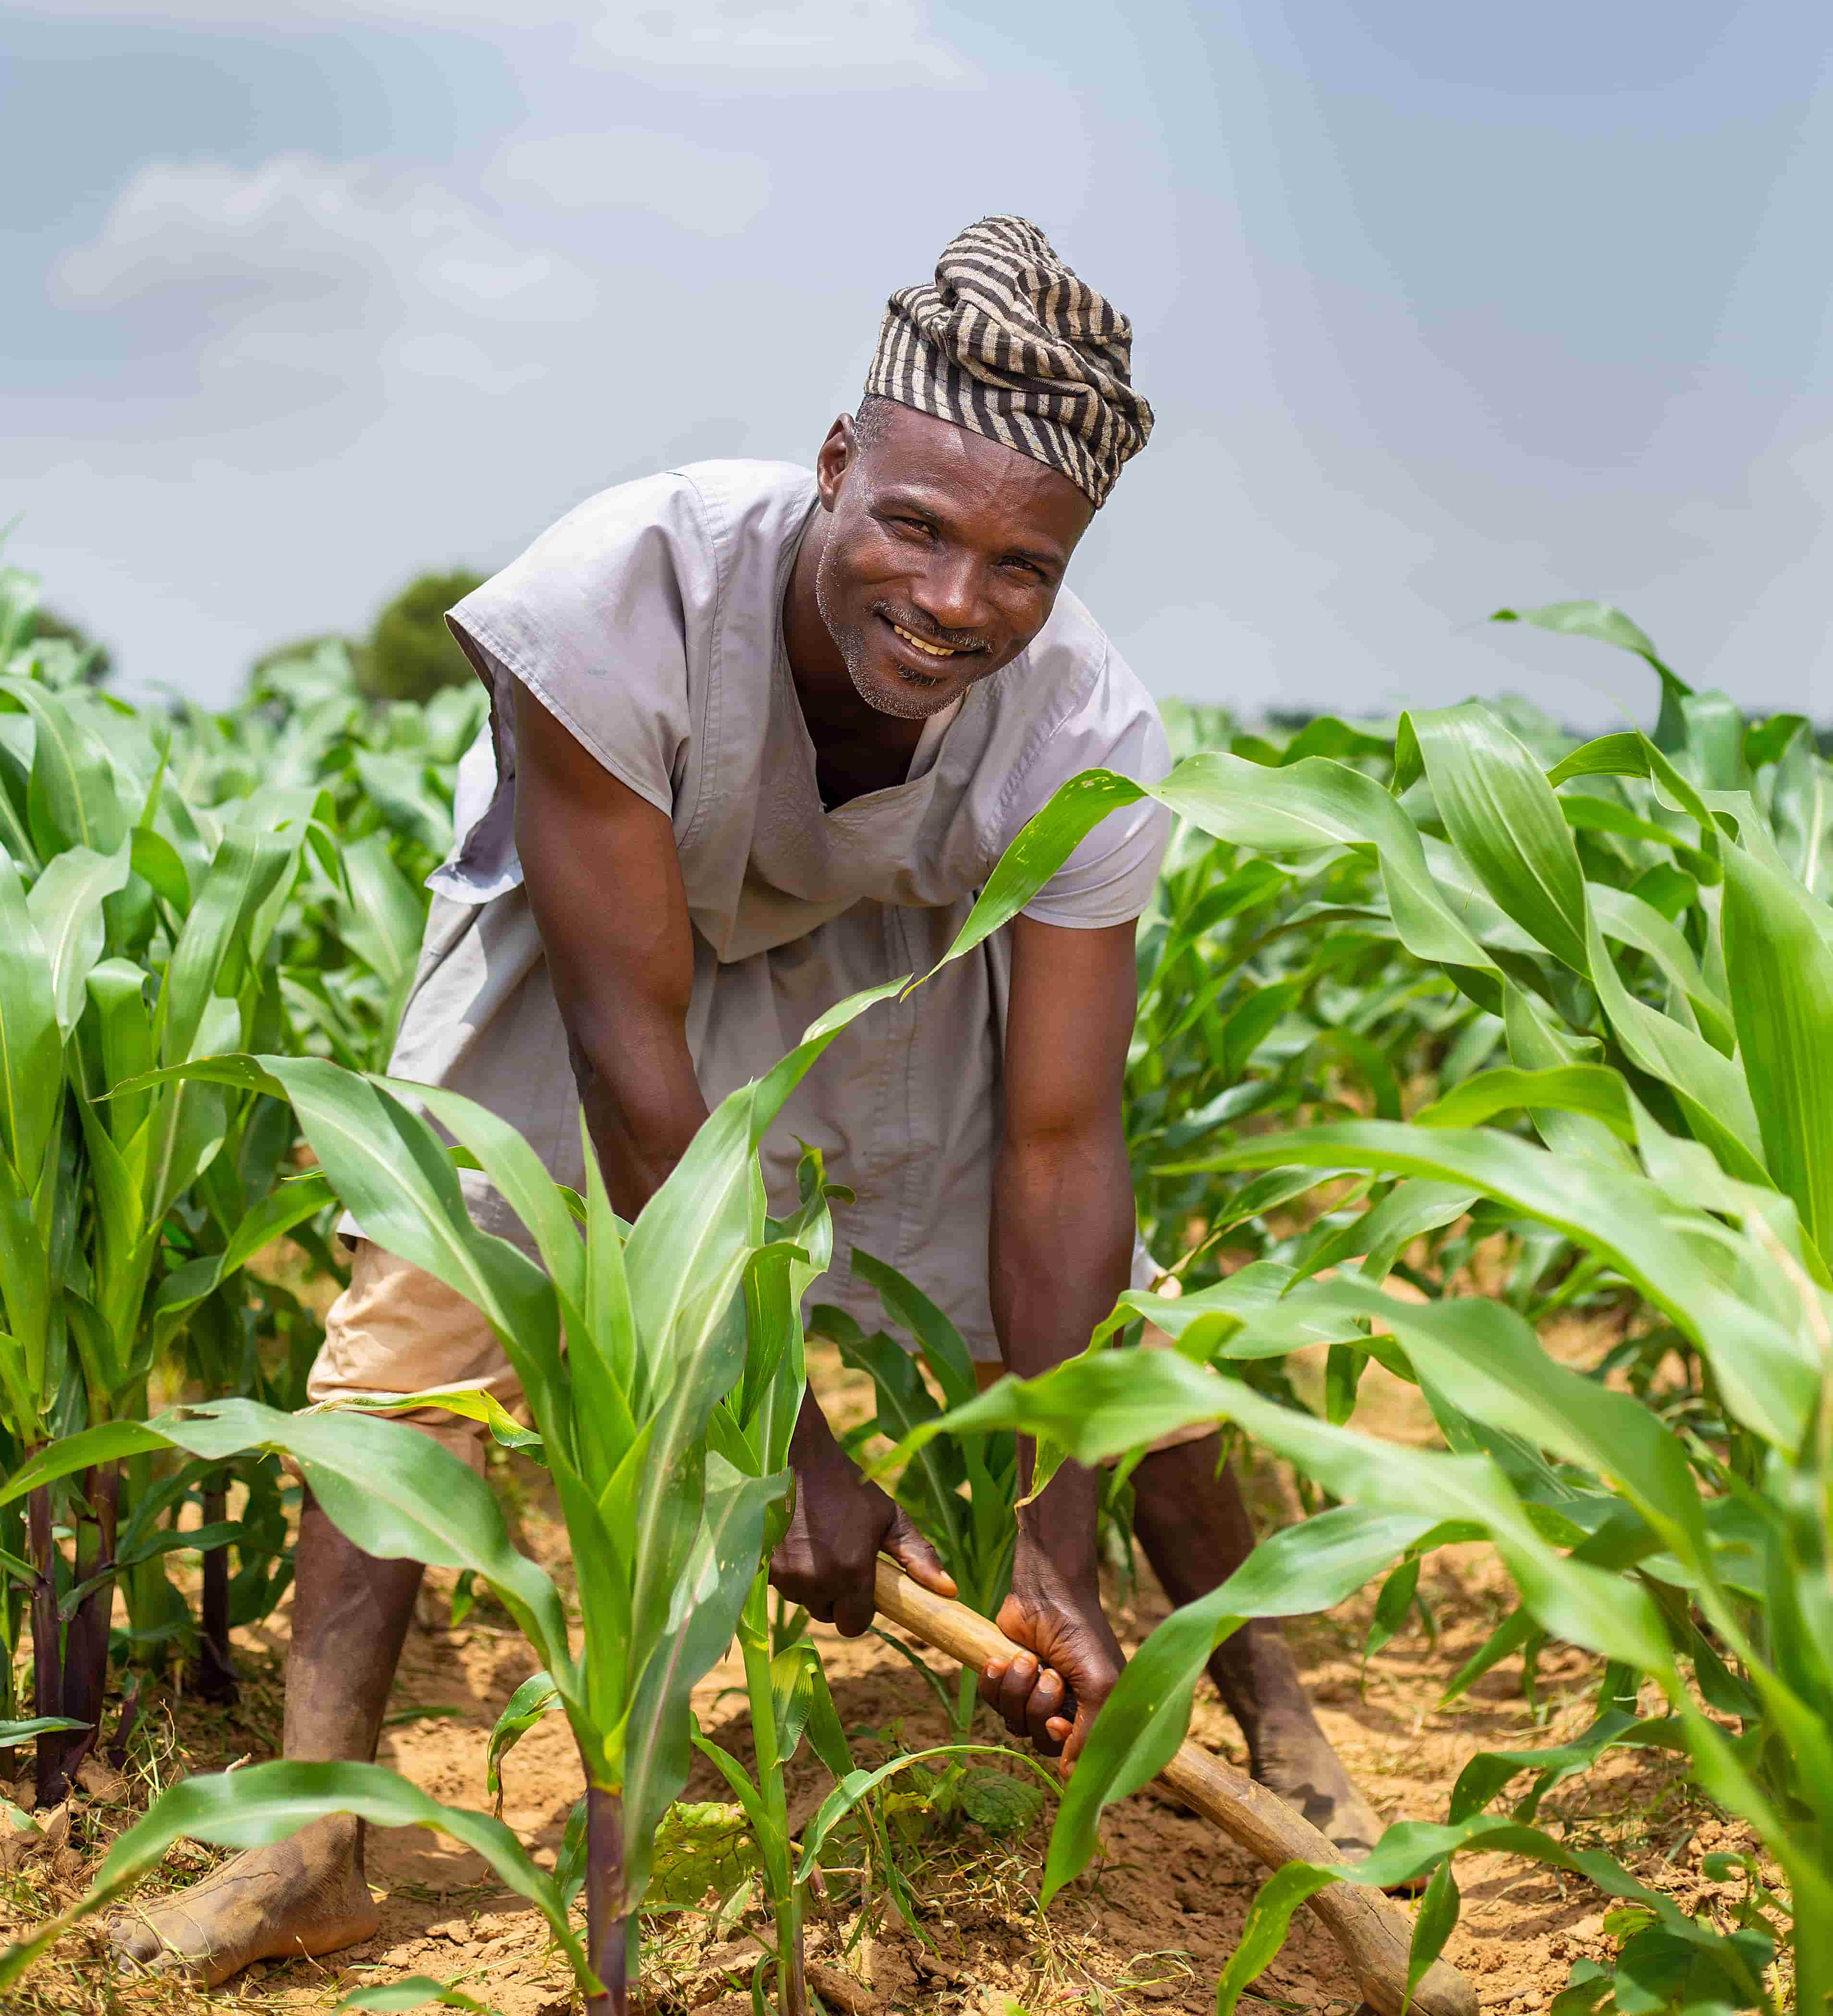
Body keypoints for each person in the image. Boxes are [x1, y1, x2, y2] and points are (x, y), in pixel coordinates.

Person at [110, 215, 1386, 1982]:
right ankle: (315, 1828)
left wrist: (1051, 1542)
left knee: (1120, 1319)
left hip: (895, 962)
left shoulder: (1085, 734)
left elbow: (1060, 1143)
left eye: (1022, 567)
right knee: (423, 1315)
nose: (955, 604)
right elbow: (641, 1084)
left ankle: (1274, 1711)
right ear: (838, 465)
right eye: (917, 528)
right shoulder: (614, 605)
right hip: (613, 953)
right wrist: (786, 1447)